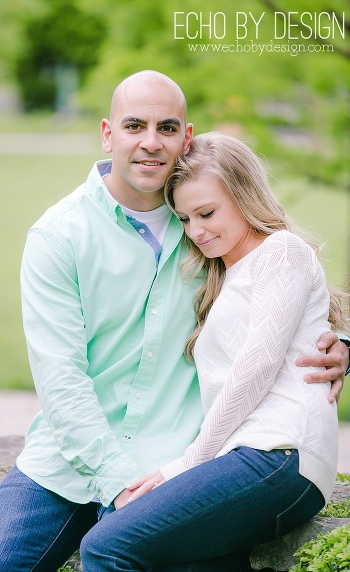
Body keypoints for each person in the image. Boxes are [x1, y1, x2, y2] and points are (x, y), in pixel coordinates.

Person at [0, 71, 349, 572]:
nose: (151, 142)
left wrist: (339, 340)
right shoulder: (59, 235)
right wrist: (117, 484)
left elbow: (287, 283)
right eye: (134, 126)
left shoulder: (207, 217)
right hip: (67, 462)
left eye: (167, 128)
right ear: (108, 134)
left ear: (185, 137)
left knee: (124, 547)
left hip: (176, 460)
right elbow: (61, 380)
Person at [80, 132, 348, 570]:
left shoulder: (281, 252)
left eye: (206, 213)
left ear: (244, 196)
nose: (196, 231)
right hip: (247, 460)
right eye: (184, 219)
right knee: (131, 523)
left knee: (105, 545)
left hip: (280, 455)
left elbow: (257, 367)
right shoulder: (225, 276)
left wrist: (185, 464)